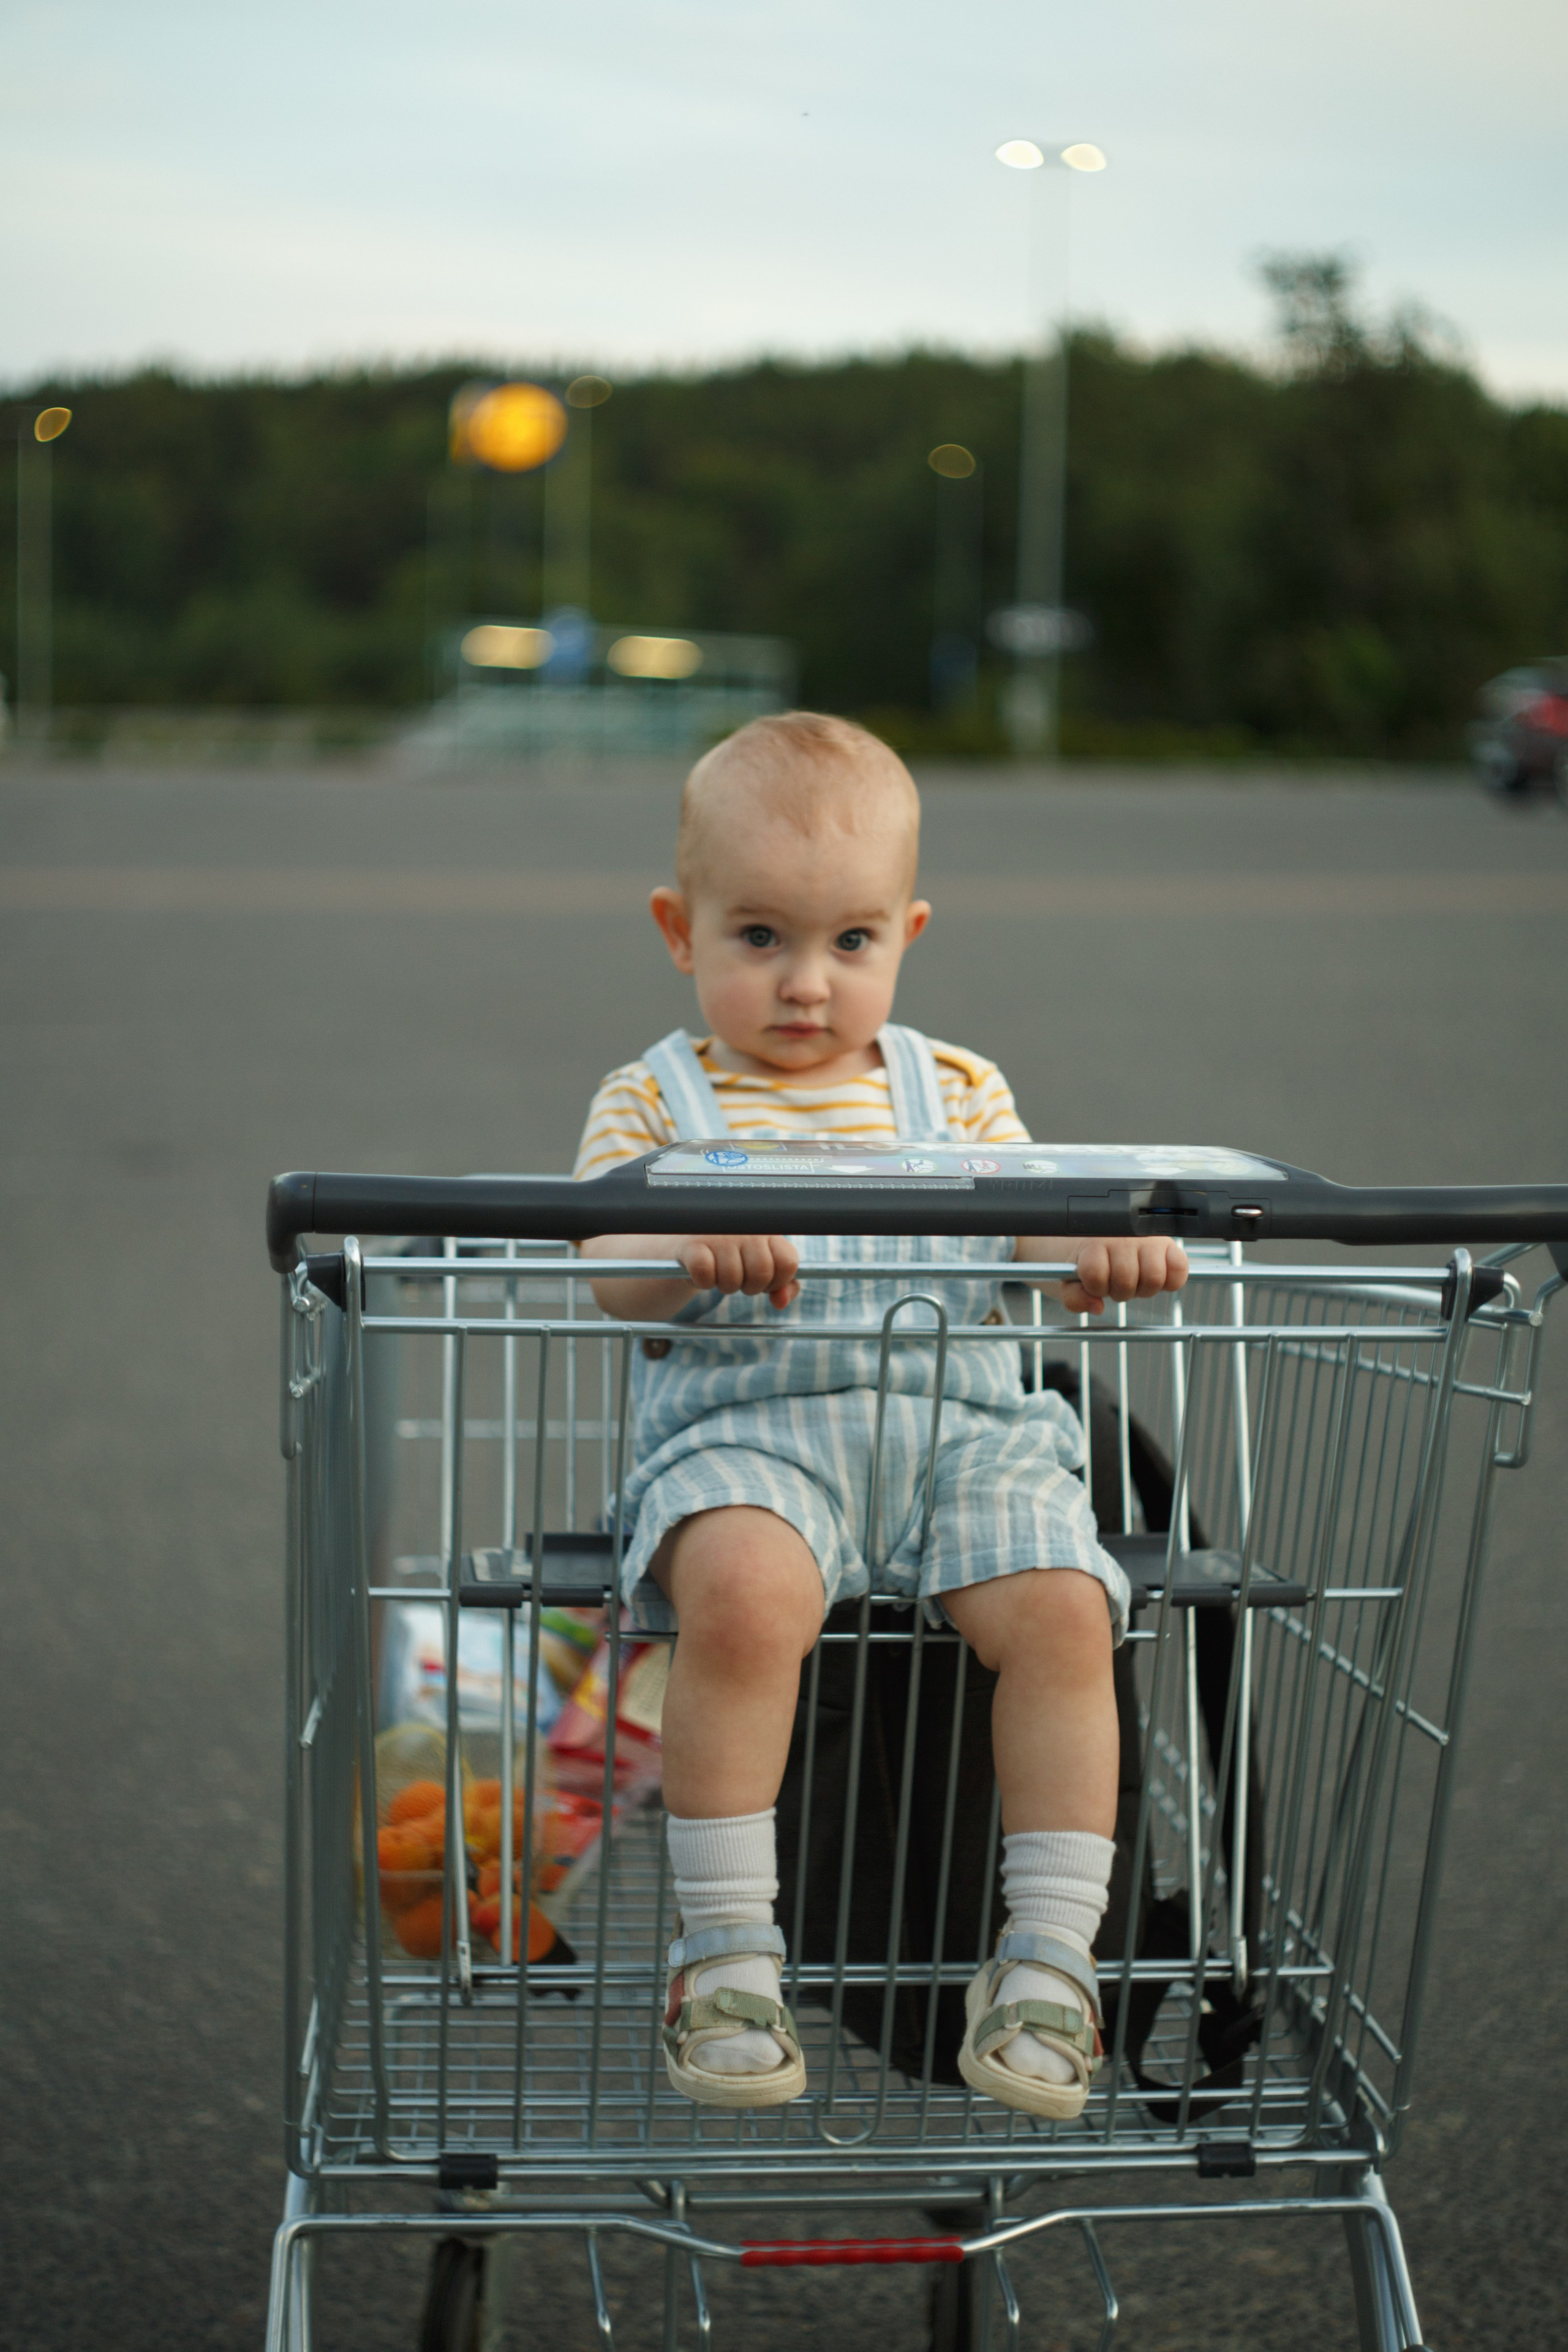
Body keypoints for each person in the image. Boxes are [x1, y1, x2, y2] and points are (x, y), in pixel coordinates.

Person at [575, 711, 1187, 2117]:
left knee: (1061, 1612)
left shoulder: (956, 1092)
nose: (805, 985)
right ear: (680, 930)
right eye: (759, 940)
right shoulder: (653, 1104)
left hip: (959, 1430)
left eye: (848, 943)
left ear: (904, 933)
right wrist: (675, 1249)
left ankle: (1046, 1964)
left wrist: (1095, 1253)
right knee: (736, 1595)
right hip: (750, 1436)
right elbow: (603, 1271)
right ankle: (727, 1955)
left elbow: (1032, 1230)